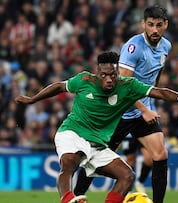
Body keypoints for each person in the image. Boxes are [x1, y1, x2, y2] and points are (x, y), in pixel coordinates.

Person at [15, 51, 178, 203]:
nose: (109, 79)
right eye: (105, 75)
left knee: (127, 176)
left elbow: (158, 91)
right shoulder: (84, 80)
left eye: (113, 75)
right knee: (70, 163)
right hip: (72, 133)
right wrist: (33, 99)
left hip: (97, 145)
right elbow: (58, 87)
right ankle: (68, 199)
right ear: (97, 73)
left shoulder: (127, 86)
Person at [74, 5, 172, 203]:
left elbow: (157, 72)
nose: (154, 30)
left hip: (140, 113)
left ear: (165, 25)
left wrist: (152, 95)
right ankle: (75, 197)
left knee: (160, 154)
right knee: (93, 161)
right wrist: (144, 109)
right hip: (117, 113)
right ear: (143, 24)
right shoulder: (132, 48)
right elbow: (124, 87)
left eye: (159, 25)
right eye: (150, 25)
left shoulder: (166, 46)